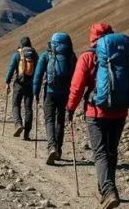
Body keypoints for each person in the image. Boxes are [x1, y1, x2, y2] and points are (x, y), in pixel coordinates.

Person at [66, 24, 129, 209]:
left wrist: (70, 107)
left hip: (96, 112)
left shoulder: (87, 57)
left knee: (100, 153)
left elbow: (77, 87)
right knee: (111, 152)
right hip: (120, 111)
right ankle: (106, 189)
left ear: (92, 37)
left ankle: (108, 191)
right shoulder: (123, 57)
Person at [32, 32, 77, 165]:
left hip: (50, 92)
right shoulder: (71, 56)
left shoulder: (46, 55)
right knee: (60, 120)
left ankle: (51, 146)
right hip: (65, 93)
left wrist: (35, 92)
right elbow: (76, 76)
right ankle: (59, 150)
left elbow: (38, 75)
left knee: (49, 119)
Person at [4, 36, 37, 140]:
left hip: (19, 84)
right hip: (30, 85)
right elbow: (39, 70)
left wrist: (7, 82)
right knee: (28, 109)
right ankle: (27, 134)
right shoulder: (35, 55)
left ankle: (18, 124)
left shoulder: (17, 54)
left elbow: (11, 68)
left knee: (15, 105)